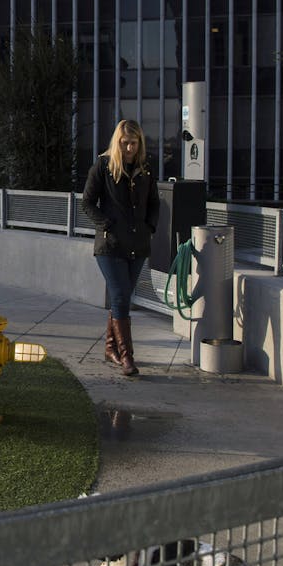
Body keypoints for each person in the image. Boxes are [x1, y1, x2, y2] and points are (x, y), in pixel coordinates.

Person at [81, 119, 159, 376]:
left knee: (121, 298)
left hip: (138, 245)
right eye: (124, 143)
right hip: (110, 245)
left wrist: (150, 226)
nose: (128, 148)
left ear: (140, 144)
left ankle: (110, 348)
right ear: (117, 142)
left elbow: (154, 202)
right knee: (121, 296)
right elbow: (88, 202)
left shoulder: (145, 168)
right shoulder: (103, 166)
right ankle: (127, 358)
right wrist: (107, 224)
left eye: (133, 143)